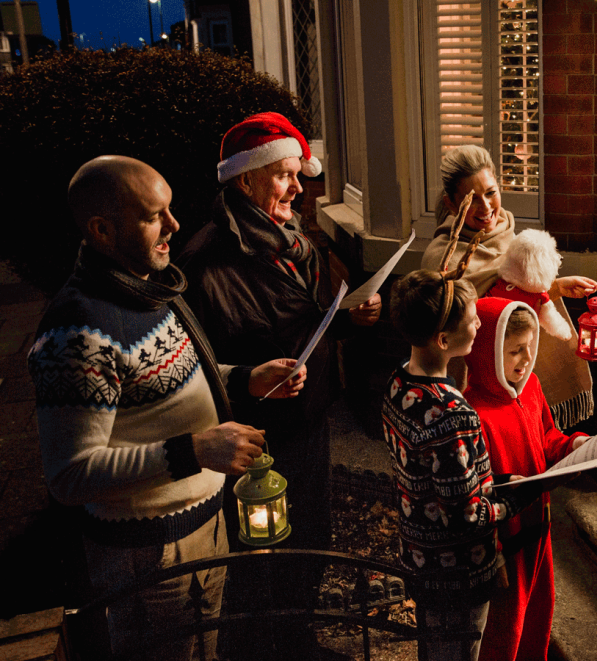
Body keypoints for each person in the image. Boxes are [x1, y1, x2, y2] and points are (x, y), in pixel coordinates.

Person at [27, 156, 307, 661]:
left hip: (201, 523)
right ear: (101, 229)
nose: (174, 226)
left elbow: (169, 376)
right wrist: (195, 449)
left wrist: (244, 378)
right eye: (155, 215)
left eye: (171, 210)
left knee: (205, 648)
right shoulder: (77, 333)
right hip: (148, 552)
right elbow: (69, 474)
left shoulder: (147, 288)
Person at [178, 112, 382, 553]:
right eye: (284, 176)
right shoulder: (205, 262)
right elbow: (191, 365)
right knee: (270, 550)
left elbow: (302, 319)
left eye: (297, 175)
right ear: (245, 182)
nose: (298, 189)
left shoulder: (291, 240)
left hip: (308, 415)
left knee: (311, 533)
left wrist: (349, 318)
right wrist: (250, 376)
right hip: (257, 434)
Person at [384, 215, 538, 661]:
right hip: (457, 571)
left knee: (432, 649)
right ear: (444, 337)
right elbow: (467, 516)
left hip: (419, 555)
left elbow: (439, 482)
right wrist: (521, 493)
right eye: (472, 320)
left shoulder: (398, 386)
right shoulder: (453, 414)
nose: (478, 327)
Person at [421, 145, 597, 431]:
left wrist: (556, 288)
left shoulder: (508, 234)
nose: (486, 208)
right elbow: (487, 309)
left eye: (491, 193)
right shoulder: (441, 259)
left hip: (520, 369)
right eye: (472, 200)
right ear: (452, 204)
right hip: (478, 385)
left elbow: (515, 295)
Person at [464, 297, 590, 661]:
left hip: (539, 529)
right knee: (505, 629)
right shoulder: (475, 414)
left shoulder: (532, 387)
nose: (525, 359)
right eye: (515, 350)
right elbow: (475, 493)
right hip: (505, 541)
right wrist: (493, 556)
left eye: (530, 348)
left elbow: (547, 438)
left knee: (538, 615)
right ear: (487, 351)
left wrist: (574, 446)